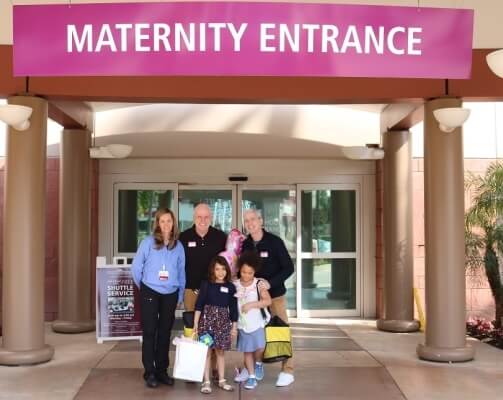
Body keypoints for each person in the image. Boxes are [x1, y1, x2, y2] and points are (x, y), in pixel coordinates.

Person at [131, 208, 186, 389]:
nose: (166, 224)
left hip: (170, 293)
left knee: (165, 332)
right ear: (157, 223)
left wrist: (179, 294)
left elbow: (181, 272)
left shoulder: (178, 246)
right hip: (150, 291)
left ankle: (162, 371)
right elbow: (136, 268)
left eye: (169, 221)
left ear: (173, 223)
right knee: (149, 332)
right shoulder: (147, 243)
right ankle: (149, 372)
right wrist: (145, 288)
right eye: (162, 221)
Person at [241, 209, 295, 387]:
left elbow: (288, 268)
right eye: (247, 221)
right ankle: (254, 367)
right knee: (252, 333)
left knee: (280, 331)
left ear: (261, 220)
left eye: (253, 219)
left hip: (275, 296)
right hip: (252, 299)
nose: (250, 223)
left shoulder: (274, 242)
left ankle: (287, 371)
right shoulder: (245, 244)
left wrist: (270, 283)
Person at [193, 256, 238, 394]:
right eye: (217, 269)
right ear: (212, 270)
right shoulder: (206, 284)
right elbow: (199, 304)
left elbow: (233, 307)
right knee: (206, 351)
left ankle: (222, 379)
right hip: (207, 322)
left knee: (220, 351)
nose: (220, 272)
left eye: (223, 269)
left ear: (227, 270)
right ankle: (206, 381)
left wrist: (234, 327)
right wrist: (196, 324)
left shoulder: (230, 287)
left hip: (223, 323)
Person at [233, 251, 272, 390]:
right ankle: (251, 377)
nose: (246, 275)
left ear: (254, 271)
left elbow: (267, 301)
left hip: (258, 323)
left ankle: (259, 363)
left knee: (260, 347)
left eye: (250, 272)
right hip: (243, 325)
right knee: (248, 351)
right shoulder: (235, 284)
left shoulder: (258, 284)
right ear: (239, 270)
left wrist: (251, 305)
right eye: (244, 272)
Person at [179, 203, 227, 312]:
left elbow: (228, 263)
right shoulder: (183, 237)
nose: (203, 220)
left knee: (213, 324)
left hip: (214, 289)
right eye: (199, 217)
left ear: (211, 218)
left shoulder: (221, 237)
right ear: (194, 218)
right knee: (192, 325)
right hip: (191, 290)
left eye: (206, 217)